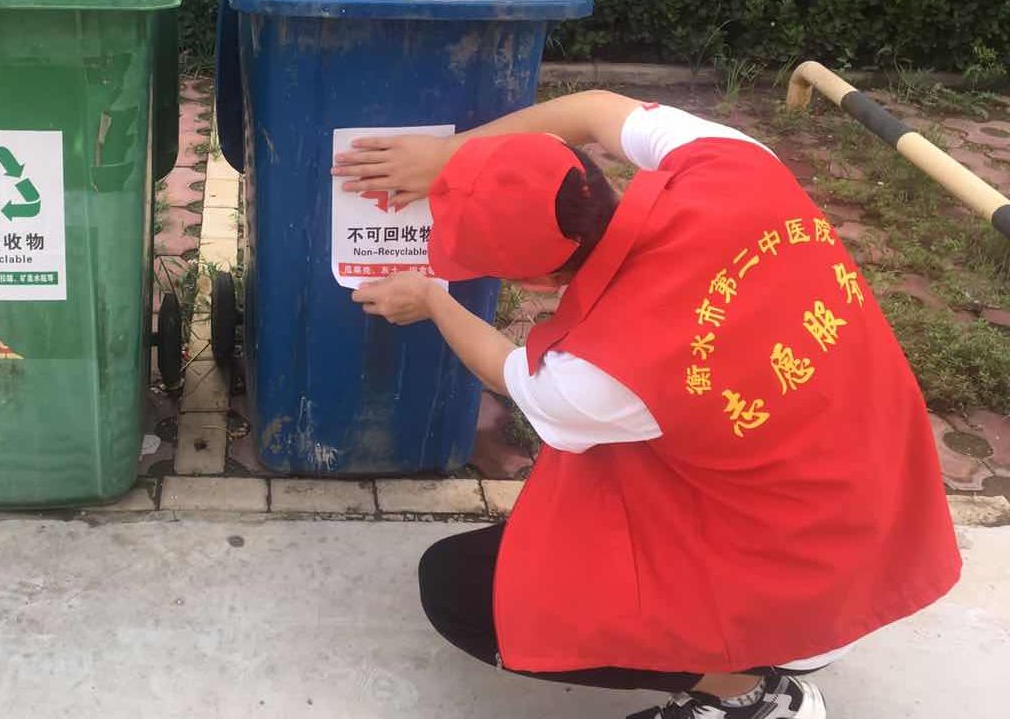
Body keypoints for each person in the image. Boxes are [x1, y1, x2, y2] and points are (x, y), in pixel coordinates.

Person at [332, 91, 962, 719]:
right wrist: (451, 155)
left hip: (805, 589)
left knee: (460, 590)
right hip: (885, 520)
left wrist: (434, 301)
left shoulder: (602, 373)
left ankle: (750, 694)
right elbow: (595, 106)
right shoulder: (733, 162)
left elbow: (505, 368)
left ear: (536, 282)